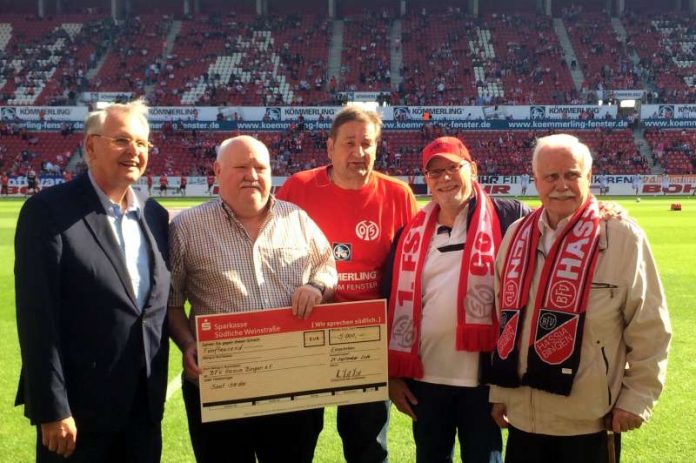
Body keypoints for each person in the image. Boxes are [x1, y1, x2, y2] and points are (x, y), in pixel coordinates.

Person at [489, 134, 671, 463]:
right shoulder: (516, 234)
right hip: (524, 418)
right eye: (551, 176)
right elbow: (505, 320)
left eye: (572, 174)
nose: (562, 185)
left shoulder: (622, 237)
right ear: (536, 181)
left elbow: (650, 327)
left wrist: (636, 398)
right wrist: (501, 392)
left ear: (589, 176)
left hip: (589, 421)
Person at [15, 100, 171, 462]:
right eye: (122, 140)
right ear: (90, 146)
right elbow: (38, 318)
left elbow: (154, 308)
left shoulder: (154, 214)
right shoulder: (48, 211)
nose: (135, 151)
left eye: (143, 143)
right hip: (77, 417)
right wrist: (51, 408)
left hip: (142, 413)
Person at [168, 135, 337, 463]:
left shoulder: (296, 219)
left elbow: (328, 266)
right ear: (217, 170)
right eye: (241, 167)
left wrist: (316, 286)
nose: (252, 175)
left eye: (260, 167)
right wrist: (187, 342)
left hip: (292, 382)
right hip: (219, 384)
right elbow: (171, 302)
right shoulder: (187, 227)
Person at [276, 106, 418, 463]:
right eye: (349, 143)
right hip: (307, 330)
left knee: (367, 444)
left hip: (366, 339)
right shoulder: (299, 188)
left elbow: (412, 271)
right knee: (296, 438)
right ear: (330, 148)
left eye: (367, 143)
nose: (358, 152)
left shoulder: (398, 195)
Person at [384, 137, 531, 463]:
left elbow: (555, 228)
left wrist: (605, 211)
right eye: (435, 172)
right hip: (424, 383)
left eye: (453, 167)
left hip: (485, 383)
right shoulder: (410, 231)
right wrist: (393, 377)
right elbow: (387, 299)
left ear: (473, 170)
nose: (445, 178)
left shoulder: (510, 217)